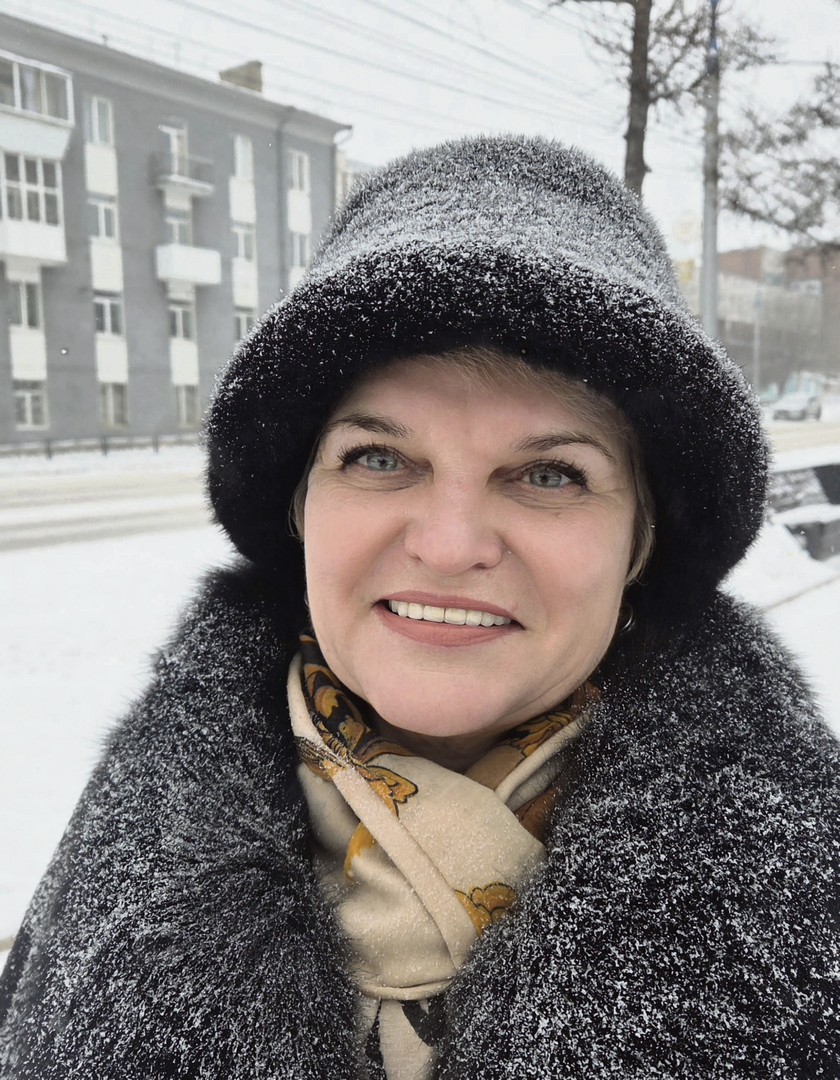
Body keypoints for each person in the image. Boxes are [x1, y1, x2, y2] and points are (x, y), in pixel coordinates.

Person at [1, 135, 838, 1079]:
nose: (448, 545)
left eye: (550, 474)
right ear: (300, 507)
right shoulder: (114, 867)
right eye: (379, 458)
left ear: (642, 541)